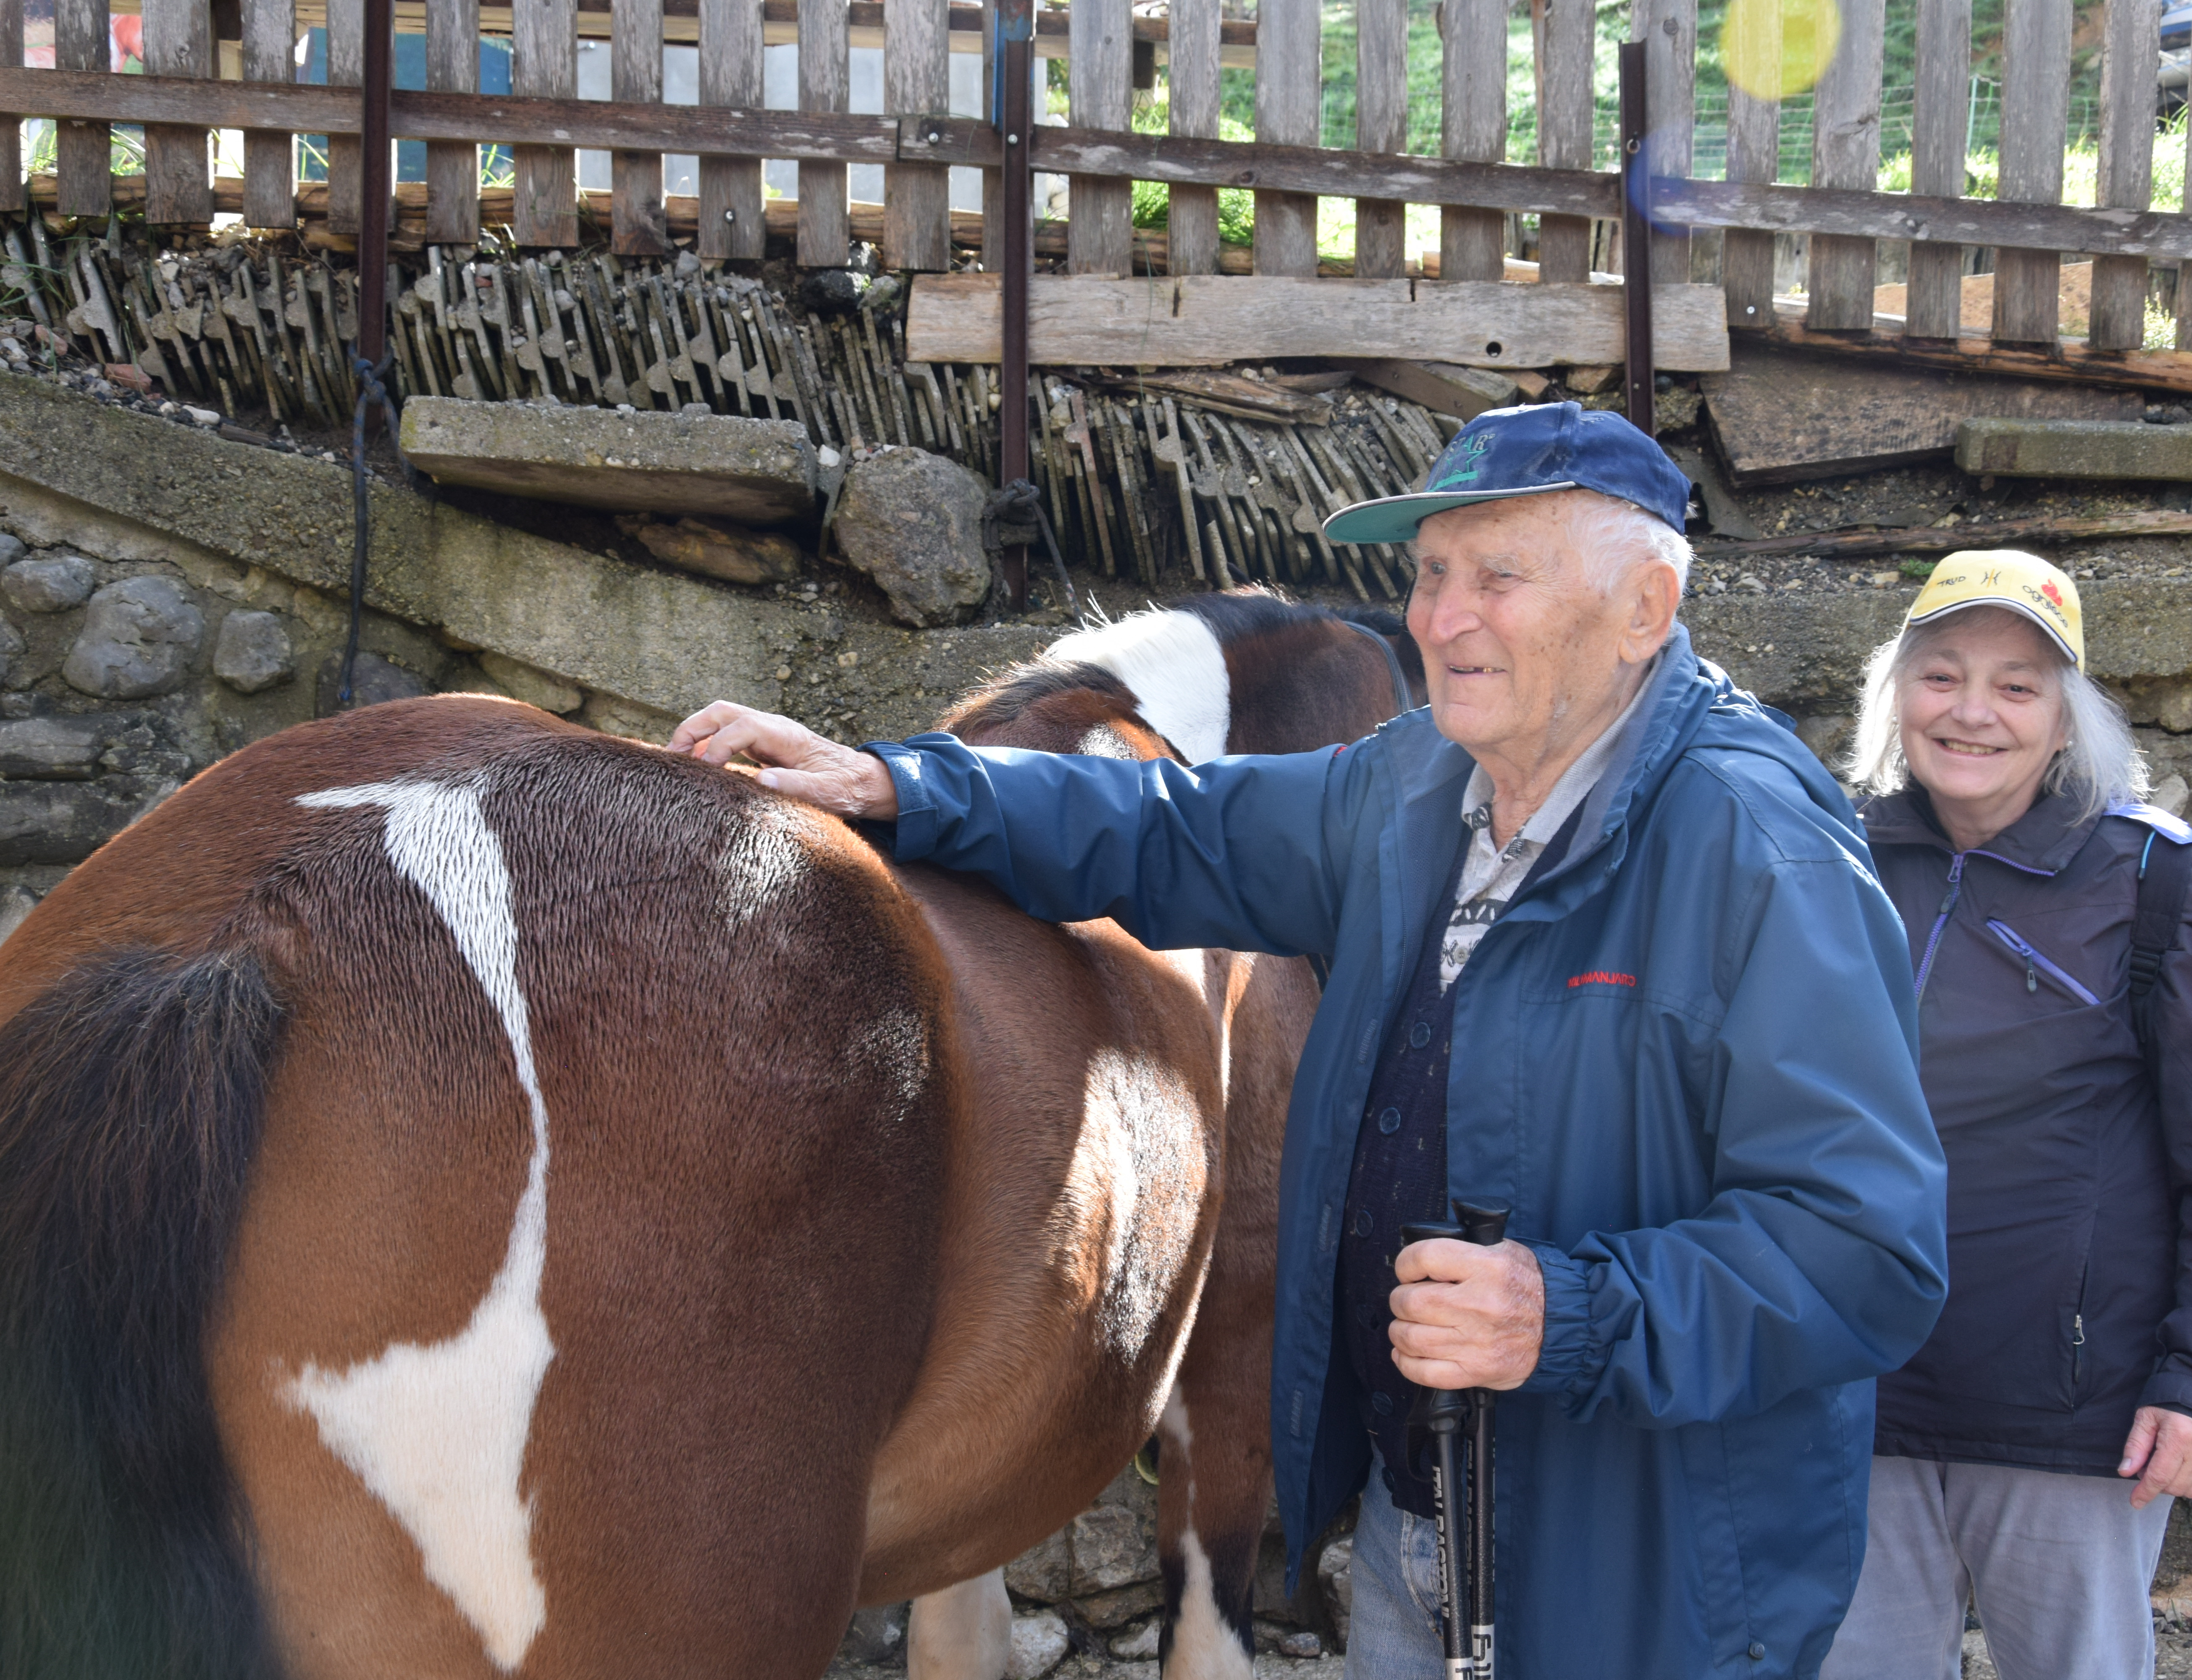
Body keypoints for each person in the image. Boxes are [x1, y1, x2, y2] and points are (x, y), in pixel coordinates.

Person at [669, 403, 1950, 1678]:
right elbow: (1174, 829)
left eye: (1498, 578)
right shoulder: (1424, 784)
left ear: (1644, 610)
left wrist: (1568, 1314)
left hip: (1645, 1570)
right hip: (1419, 1514)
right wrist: (904, 784)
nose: (1442, 620)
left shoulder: (1757, 849)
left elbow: (1870, 1248)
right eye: (1431, 575)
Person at [1819, 552, 2192, 1680]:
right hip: (1854, 1397)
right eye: (1942, 676)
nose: (1973, 712)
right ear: (1898, 694)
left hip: (2074, 1419)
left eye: (2017, 685)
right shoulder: (1827, 863)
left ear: (2065, 720)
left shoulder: (2156, 886)